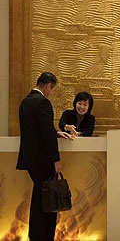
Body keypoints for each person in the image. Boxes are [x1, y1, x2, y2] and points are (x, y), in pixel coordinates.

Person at [16, 72, 73, 241]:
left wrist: (57, 132)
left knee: (40, 197)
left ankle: (37, 236)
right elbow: (46, 134)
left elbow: (36, 129)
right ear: (48, 85)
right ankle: (43, 236)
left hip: (30, 160)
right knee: (46, 201)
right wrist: (56, 160)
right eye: (52, 89)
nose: (51, 93)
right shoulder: (43, 103)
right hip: (43, 160)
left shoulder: (25, 102)